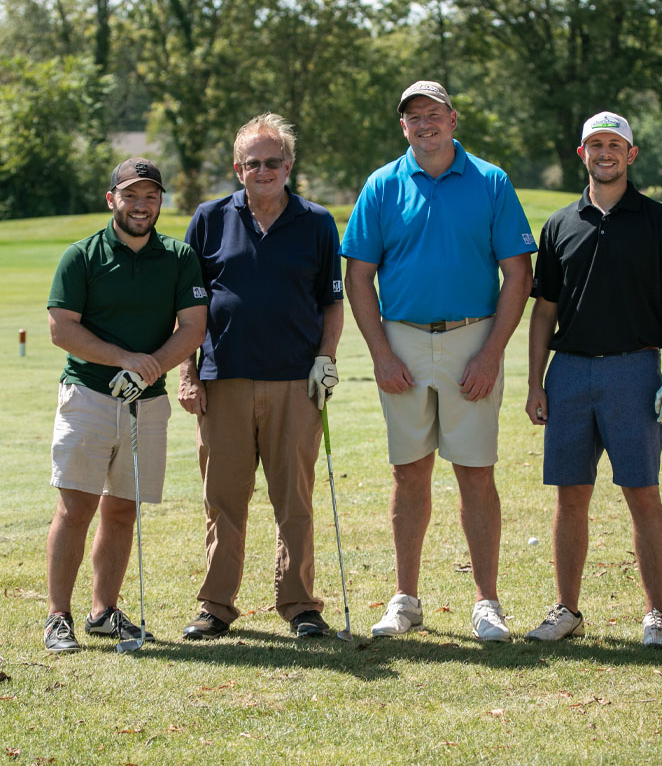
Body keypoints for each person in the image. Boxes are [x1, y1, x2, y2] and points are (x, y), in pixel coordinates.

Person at [343, 80, 536, 642]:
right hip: (400, 339)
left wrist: (491, 354)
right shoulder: (381, 185)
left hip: (472, 339)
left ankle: (487, 603)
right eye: (413, 118)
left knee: (475, 472)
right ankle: (405, 599)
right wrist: (379, 352)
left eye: (433, 114)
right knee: (408, 472)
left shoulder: (491, 181)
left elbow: (518, 274)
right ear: (403, 127)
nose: (424, 124)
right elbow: (359, 275)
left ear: (453, 119)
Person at [525, 112, 662, 647]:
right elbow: (543, 313)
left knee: (642, 492)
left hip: (633, 368)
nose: (605, 152)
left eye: (615, 144)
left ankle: (656, 614)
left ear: (631, 154)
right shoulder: (561, 224)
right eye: (595, 144)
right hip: (571, 372)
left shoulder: (660, 221)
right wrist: (536, 383)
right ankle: (567, 611)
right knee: (570, 495)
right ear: (581, 153)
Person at [178, 113, 344, 641]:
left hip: (295, 382)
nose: (264, 170)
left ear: (289, 166)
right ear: (238, 168)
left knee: (293, 499)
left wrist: (326, 358)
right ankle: (216, 605)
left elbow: (331, 303)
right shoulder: (208, 219)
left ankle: (299, 604)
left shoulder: (316, 221)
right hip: (222, 379)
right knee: (223, 499)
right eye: (254, 163)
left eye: (274, 162)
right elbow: (187, 307)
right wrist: (189, 374)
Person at [45, 157, 209, 652]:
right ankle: (58, 617)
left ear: (161, 202)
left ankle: (103, 611)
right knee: (76, 507)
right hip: (89, 396)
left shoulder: (179, 257)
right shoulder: (83, 256)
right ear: (112, 198)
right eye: (131, 195)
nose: (142, 205)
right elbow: (62, 328)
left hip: (148, 404)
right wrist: (126, 359)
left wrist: (151, 367)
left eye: (151, 196)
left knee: (122, 510)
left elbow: (194, 326)